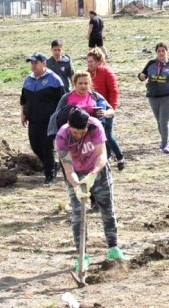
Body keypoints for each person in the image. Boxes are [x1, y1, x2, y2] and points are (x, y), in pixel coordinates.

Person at [55, 108, 128, 271]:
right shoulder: (62, 136)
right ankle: (82, 255)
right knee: (78, 213)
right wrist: (76, 186)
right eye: (75, 132)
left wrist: (93, 175)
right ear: (69, 125)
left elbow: (102, 155)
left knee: (107, 208)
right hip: (76, 173)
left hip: (98, 171)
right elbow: (68, 168)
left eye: (82, 132)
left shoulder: (95, 127)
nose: (79, 135)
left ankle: (113, 249)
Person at [20, 52, 66, 186]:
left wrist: (60, 117)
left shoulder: (54, 79)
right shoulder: (28, 80)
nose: (33, 66)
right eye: (32, 63)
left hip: (49, 121)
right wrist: (23, 114)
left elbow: (63, 100)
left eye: (36, 63)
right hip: (33, 120)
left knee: (47, 147)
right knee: (35, 146)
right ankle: (53, 165)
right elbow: (23, 99)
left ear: (44, 63)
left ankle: (49, 175)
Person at [137, 42, 169, 154]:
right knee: (159, 121)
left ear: (166, 52)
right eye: (159, 51)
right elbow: (142, 75)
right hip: (153, 96)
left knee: (164, 121)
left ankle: (165, 144)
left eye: (163, 50)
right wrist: (141, 76)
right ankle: (164, 140)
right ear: (156, 52)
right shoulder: (151, 64)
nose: (161, 53)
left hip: (168, 96)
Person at [87, 48, 125, 170]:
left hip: (106, 109)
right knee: (97, 136)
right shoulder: (87, 73)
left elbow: (114, 91)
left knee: (107, 135)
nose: (89, 64)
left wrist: (111, 109)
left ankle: (120, 157)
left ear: (98, 61)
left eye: (91, 61)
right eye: (88, 61)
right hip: (93, 110)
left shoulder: (106, 72)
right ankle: (106, 159)